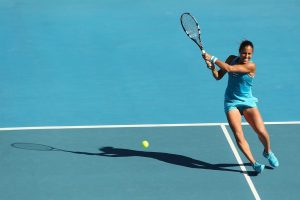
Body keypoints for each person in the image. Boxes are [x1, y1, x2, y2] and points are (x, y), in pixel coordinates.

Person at [202, 40, 279, 173]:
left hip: (247, 101)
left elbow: (230, 69)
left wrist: (212, 58)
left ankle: (267, 152)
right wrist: (212, 67)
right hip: (231, 102)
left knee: (262, 132)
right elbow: (218, 76)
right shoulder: (231, 59)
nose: (247, 56)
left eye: (249, 54)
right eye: (244, 53)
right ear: (239, 52)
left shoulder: (251, 66)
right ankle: (254, 163)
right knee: (238, 135)